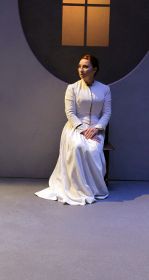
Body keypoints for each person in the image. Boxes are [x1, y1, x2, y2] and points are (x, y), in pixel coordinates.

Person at [35, 54, 111, 205]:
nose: (81, 70)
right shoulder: (72, 88)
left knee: (94, 149)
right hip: (75, 127)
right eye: (79, 66)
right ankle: (77, 188)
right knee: (78, 146)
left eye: (85, 66)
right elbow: (70, 113)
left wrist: (96, 129)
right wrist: (83, 129)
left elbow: (107, 113)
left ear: (94, 69)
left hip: (96, 129)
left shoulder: (105, 89)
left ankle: (93, 189)